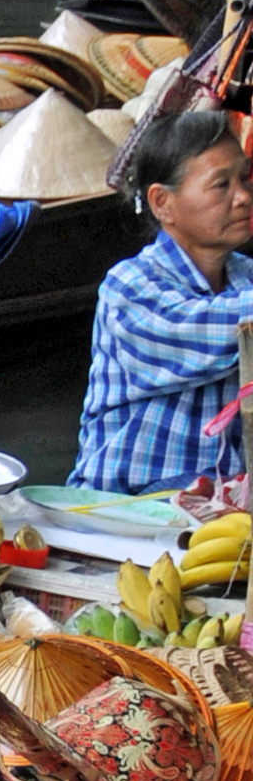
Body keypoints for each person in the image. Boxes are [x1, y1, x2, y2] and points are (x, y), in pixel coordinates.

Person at [73, 103, 253, 495]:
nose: (242, 197)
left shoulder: (246, 278)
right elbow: (208, 330)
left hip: (219, 497)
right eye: (221, 185)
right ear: (162, 203)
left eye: (245, 178)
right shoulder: (129, 287)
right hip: (125, 503)